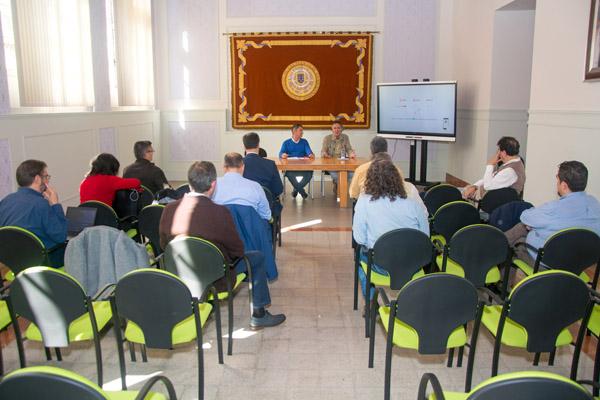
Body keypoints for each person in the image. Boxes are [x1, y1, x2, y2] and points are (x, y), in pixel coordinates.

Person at [159, 161, 285, 328]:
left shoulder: (169, 209)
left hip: (180, 273)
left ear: (189, 183)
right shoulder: (220, 212)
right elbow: (237, 250)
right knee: (257, 258)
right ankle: (259, 314)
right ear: (213, 185)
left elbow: (163, 244)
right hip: (216, 277)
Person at [353, 158, 430, 296]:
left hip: (381, 264)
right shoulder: (413, 204)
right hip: (412, 263)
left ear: (370, 179)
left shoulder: (364, 201)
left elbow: (359, 238)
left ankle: (371, 302)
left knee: (360, 255)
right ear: (397, 179)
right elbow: (425, 237)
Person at [505, 160, 600, 266]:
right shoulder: (595, 203)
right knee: (523, 229)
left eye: (557, 180)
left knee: (515, 244)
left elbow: (525, 216)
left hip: (548, 263)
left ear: (564, 185)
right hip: (580, 262)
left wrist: (534, 225)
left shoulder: (553, 209)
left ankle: (493, 251)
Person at [0, 159, 67, 267]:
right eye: (46, 177)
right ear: (37, 179)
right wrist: (55, 204)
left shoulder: (5, 201)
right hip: (44, 261)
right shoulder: (41, 204)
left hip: (12, 263)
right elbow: (61, 236)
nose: (47, 181)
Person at [349, 136, 427, 216]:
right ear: (386, 149)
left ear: (371, 150)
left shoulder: (361, 169)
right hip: (394, 210)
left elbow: (353, 194)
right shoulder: (397, 170)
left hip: (369, 211)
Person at [212, 152, 271, 220]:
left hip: (221, 228)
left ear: (224, 167)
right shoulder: (256, 187)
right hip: (249, 229)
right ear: (243, 167)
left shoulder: (212, 185)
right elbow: (266, 215)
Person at [242, 133, 283, 216]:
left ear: (244, 146)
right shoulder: (270, 164)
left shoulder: (238, 164)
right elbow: (278, 189)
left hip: (244, 207)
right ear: (258, 145)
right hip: (266, 207)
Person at [279, 124, 314, 199]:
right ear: (294, 131)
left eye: (302, 131)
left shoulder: (304, 141)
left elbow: (309, 152)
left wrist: (310, 154)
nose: (302, 132)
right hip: (291, 167)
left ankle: (297, 188)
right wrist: (283, 155)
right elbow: (280, 153)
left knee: (310, 172)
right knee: (288, 173)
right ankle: (302, 191)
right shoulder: (286, 142)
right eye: (300, 130)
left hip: (303, 166)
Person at [321, 122, 356, 194]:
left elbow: (349, 149)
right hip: (331, 163)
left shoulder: (345, 137)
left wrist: (351, 154)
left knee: (353, 174)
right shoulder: (327, 138)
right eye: (335, 128)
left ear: (341, 129)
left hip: (343, 162)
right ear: (332, 130)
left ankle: (343, 189)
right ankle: (341, 192)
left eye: (338, 128)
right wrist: (325, 154)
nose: (336, 130)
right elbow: (323, 151)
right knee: (337, 176)